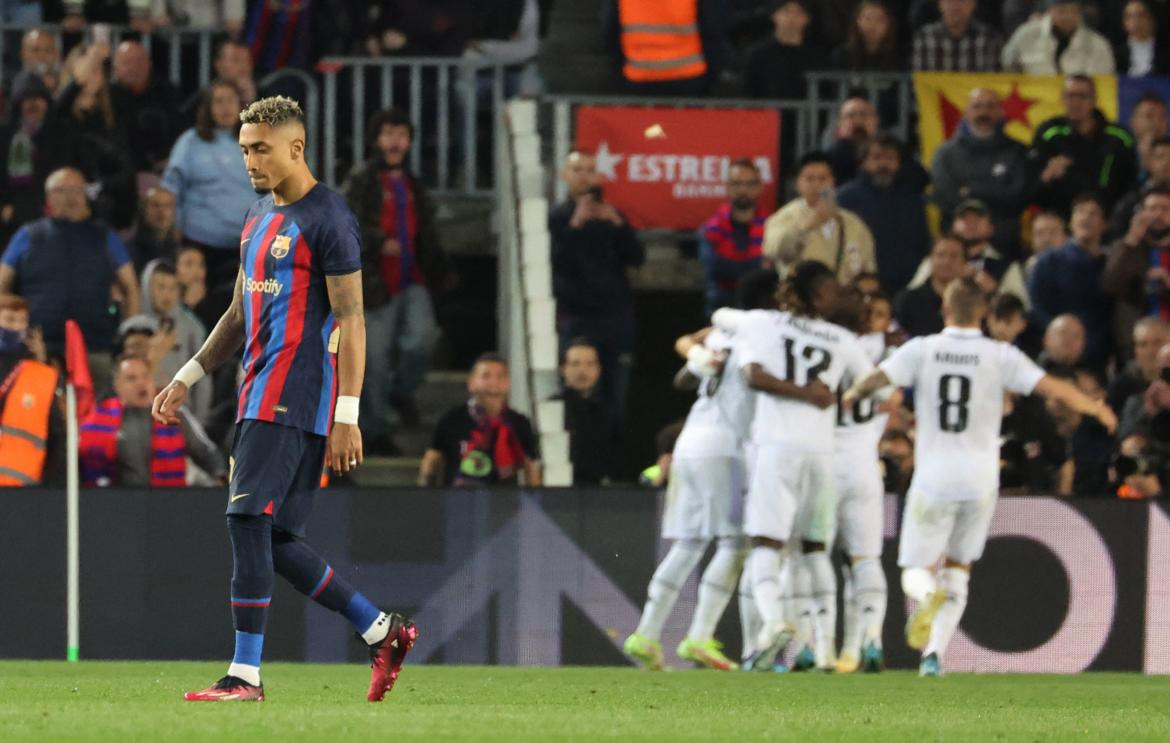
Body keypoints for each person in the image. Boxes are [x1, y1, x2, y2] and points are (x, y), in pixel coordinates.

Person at [151, 96, 419, 703]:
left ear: (296, 148)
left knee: (245, 518)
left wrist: (347, 415)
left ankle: (245, 675)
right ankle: (383, 630)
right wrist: (187, 374)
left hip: (292, 396)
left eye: (260, 148)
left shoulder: (329, 218)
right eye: (244, 148)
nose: (249, 160)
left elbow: (352, 318)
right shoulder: (256, 216)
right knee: (275, 540)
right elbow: (240, 312)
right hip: (257, 391)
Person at [843, 278, 1116, 677]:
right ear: (984, 314)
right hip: (980, 481)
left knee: (915, 571)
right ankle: (933, 657)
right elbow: (1052, 388)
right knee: (959, 569)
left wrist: (850, 396)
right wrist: (1096, 409)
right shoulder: (999, 355)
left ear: (945, 309)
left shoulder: (922, 349)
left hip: (934, 476)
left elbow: (875, 381)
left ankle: (928, 595)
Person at [625, 268, 781, 672]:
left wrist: (701, 357)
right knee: (735, 544)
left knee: (690, 542)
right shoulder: (762, 337)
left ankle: (645, 634)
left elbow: (682, 380)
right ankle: (698, 635)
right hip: (726, 447)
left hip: (690, 444)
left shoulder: (721, 336)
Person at [734, 260, 874, 673]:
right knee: (815, 549)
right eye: (830, 289)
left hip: (778, 447)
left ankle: (776, 623)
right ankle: (826, 651)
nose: (835, 297)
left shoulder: (762, 323)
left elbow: (753, 376)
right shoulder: (841, 338)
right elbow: (874, 380)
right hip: (822, 453)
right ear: (815, 294)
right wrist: (839, 395)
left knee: (766, 543)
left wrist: (803, 393)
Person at [343, 108, 446, 454]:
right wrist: (377, 241)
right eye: (388, 133)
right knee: (374, 361)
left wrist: (441, 268)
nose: (395, 141)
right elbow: (345, 222)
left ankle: (401, 392)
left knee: (423, 340)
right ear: (376, 140)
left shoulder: (415, 183)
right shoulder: (362, 178)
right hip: (374, 285)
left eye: (401, 134)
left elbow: (428, 233)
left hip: (412, 278)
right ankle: (375, 430)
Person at [0, 167, 138, 388]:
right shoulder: (28, 235)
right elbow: (2, 283)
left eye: (77, 190)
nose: (71, 197)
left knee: (97, 418)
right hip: (38, 346)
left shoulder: (104, 236)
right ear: (49, 197)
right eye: (62, 190)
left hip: (95, 346)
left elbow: (130, 286)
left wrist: (130, 331)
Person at [549, 149, 645, 428]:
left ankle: (611, 465)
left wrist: (619, 225)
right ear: (564, 175)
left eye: (590, 170)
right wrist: (575, 225)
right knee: (576, 396)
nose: (584, 177)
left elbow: (637, 258)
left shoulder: (612, 215)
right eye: (577, 170)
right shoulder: (558, 217)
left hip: (616, 317)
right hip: (577, 317)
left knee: (616, 396)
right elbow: (556, 263)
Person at [830, 287, 899, 674]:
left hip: (821, 464)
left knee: (811, 558)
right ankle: (868, 639)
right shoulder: (880, 352)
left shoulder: (823, 345)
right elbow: (891, 397)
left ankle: (823, 647)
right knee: (864, 559)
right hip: (863, 463)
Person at [163, 80, 256, 288]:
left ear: (241, 105)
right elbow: (170, 188)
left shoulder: (257, 143)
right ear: (208, 108)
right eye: (218, 102)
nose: (225, 108)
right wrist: (174, 226)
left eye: (231, 101)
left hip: (247, 247)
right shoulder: (190, 142)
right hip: (198, 244)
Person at [81, 354, 224, 487]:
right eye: (132, 378)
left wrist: (220, 472)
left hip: (167, 498)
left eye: (145, 376)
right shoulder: (97, 419)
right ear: (117, 385)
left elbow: (204, 451)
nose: (141, 383)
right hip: (115, 502)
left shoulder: (174, 413)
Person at [931, 88, 1034, 259]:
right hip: (956, 251)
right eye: (977, 106)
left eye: (990, 106)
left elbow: (1018, 197)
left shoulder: (1018, 152)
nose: (984, 112)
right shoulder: (945, 154)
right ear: (966, 112)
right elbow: (945, 197)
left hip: (1005, 249)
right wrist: (994, 192)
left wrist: (969, 192)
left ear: (1001, 112)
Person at [418, 352, 542, 487]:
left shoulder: (519, 423)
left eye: (500, 376)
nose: (493, 383)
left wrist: (535, 502)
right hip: (459, 500)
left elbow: (531, 468)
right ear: (471, 383)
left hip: (505, 502)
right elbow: (431, 462)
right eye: (486, 376)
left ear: (508, 384)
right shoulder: (451, 420)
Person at [763, 152, 876, 286]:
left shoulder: (853, 223)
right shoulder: (783, 218)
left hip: (845, 299)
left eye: (823, 179)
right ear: (798, 184)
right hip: (800, 299)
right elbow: (779, 251)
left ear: (833, 182)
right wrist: (807, 226)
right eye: (810, 179)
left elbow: (868, 267)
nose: (817, 184)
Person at [837, 133, 931, 294]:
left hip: (905, 286)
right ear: (863, 162)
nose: (883, 164)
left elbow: (921, 242)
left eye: (890, 158)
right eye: (877, 157)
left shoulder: (911, 199)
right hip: (858, 285)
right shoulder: (845, 198)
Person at [1030, 75, 1138, 213]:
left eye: (1082, 96)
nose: (1075, 103)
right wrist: (1046, 176)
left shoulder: (1120, 137)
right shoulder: (1048, 133)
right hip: (1060, 220)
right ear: (1062, 99)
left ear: (1094, 100)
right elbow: (1031, 187)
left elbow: (1131, 184)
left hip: (1108, 222)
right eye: (1070, 96)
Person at [1028, 193, 1112, 366]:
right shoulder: (1048, 261)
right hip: (1056, 353)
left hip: (1099, 355)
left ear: (1104, 224)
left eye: (1093, 213)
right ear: (1071, 222)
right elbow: (1037, 307)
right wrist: (1061, 338)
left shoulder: (1111, 264)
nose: (1085, 218)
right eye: (1080, 212)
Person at [0, 71, 72, 244]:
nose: (32, 104)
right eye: (26, 99)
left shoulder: (62, 134)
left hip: (55, 214)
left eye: (38, 98)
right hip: (13, 222)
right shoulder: (5, 136)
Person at [138, 260, 210, 424]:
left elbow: (203, 378)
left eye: (172, 288)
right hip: (140, 414)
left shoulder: (192, 327)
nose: (167, 294)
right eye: (161, 287)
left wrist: (199, 420)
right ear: (147, 288)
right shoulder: (133, 328)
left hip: (181, 415)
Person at [0, 294, 61, 486]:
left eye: (22, 321)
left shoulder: (43, 376)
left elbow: (57, 440)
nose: (17, 328)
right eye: (10, 320)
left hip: (23, 491)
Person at [602, 0, 723, 96]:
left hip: (639, 75)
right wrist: (710, 76)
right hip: (689, 75)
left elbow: (610, 31)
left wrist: (620, 72)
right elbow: (713, 28)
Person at [1103, 186, 1170, 358]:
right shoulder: (1125, 247)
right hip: (1134, 345)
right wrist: (1132, 239)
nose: (1157, 214)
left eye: (1164, 209)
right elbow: (1109, 285)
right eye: (1152, 208)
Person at [697, 159, 768, 318]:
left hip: (760, 312)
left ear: (759, 187)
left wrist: (733, 266)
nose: (743, 190)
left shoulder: (772, 228)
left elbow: (771, 272)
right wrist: (758, 265)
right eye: (736, 184)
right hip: (720, 312)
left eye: (749, 184)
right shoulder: (710, 229)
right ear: (727, 187)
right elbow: (714, 268)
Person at [109, 40, 180, 174]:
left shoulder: (168, 93)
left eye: (139, 61)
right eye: (127, 62)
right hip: (122, 172)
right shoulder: (107, 99)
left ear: (149, 64)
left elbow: (178, 130)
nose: (134, 67)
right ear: (115, 70)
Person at [551, 339, 613, 486]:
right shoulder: (553, 407)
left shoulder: (605, 411)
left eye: (590, 364)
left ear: (598, 370)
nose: (582, 371)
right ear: (563, 369)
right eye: (575, 364)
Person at [1001, 0, 1116, 74]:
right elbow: (1007, 67)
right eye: (1062, 11)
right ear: (1050, 10)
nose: (1068, 17)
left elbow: (1105, 81)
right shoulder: (1025, 35)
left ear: (1080, 12)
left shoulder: (1098, 44)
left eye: (1073, 12)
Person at [745, 0, 827, 100]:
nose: (791, 18)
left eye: (799, 12)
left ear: (807, 19)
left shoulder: (818, 57)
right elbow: (748, 94)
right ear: (774, 15)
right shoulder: (757, 55)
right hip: (767, 114)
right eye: (786, 11)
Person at [894, 235, 967, 337]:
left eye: (954, 256)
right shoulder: (907, 300)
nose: (946, 261)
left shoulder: (973, 303)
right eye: (940, 255)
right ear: (930, 260)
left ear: (965, 264)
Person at [911, 0, 1003, 71]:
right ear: (940, 4)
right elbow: (920, 81)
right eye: (950, 0)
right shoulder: (925, 37)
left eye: (962, 0)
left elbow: (992, 83)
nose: (955, 6)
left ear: (973, 4)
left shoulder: (989, 38)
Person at [1111, 136, 1170, 240]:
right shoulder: (1130, 201)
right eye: (1160, 157)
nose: (1166, 162)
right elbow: (1117, 237)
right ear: (1148, 162)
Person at [1108, 318, 1170, 414]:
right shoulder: (1121, 387)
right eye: (1143, 345)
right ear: (1135, 350)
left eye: (1158, 342)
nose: (1150, 351)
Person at [831, 0, 904, 71]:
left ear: (889, 24)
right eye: (867, 18)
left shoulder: (901, 56)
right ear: (857, 21)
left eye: (879, 20)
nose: (872, 25)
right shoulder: (842, 55)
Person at [824, 96, 880, 185]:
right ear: (840, 123)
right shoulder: (829, 158)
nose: (858, 121)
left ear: (876, 120)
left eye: (864, 115)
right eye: (850, 116)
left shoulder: (892, 154)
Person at [126, 185, 179, 273]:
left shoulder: (179, 252)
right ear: (143, 210)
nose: (161, 211)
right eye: (155, 205)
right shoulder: (129, 252)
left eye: (167, 206)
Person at [1115, 0, 1170, 76]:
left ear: (1152, 19)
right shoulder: (1116, 55)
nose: (1136, 21)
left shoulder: (1165, 54)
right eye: (1129, 16)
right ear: (1124, 22)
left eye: (1141, 16)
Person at [1129, 94, 1169, 182]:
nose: (1156, 122)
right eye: (1149, 116)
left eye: (1162, 117)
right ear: (1133, 121)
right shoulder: (1119, 154)